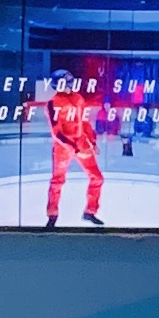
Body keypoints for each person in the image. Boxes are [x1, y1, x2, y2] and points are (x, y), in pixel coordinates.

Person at [39, 71, 106, 229]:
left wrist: (92, 142)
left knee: (97, 178)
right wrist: (73, 148)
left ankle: (90, 211)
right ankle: (52, 215)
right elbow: (56, 132)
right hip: (63, 147)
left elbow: (84, 122)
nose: (69, 84)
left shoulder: (78, 98)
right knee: (57, 181)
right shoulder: (52, 103)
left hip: (81, 142)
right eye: (65, 81)